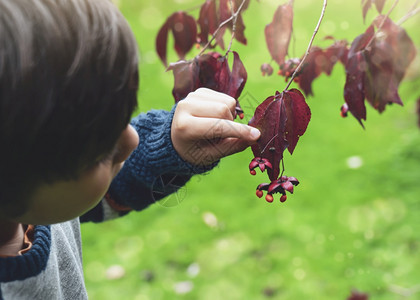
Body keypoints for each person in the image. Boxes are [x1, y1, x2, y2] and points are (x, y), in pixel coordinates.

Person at [0, 0, 260, 298]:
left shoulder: (36, 193)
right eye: (101, 152)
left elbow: (104, 193)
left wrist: (169, 145)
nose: (132, 139)